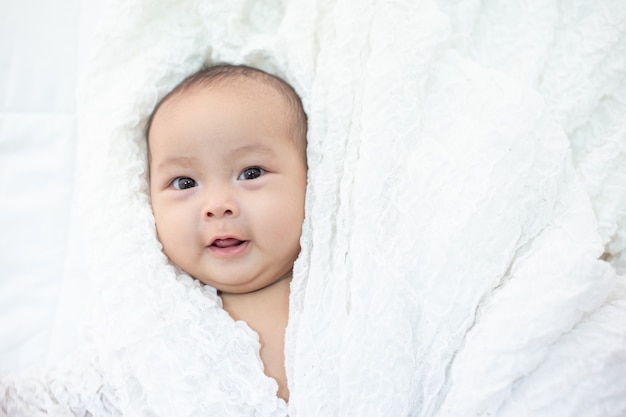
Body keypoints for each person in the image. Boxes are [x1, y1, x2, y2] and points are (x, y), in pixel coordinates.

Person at [146, 64, 308, 402]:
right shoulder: (156, 317)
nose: (218, 206)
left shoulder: (339, 286)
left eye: (251, 173)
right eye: (185, 183)